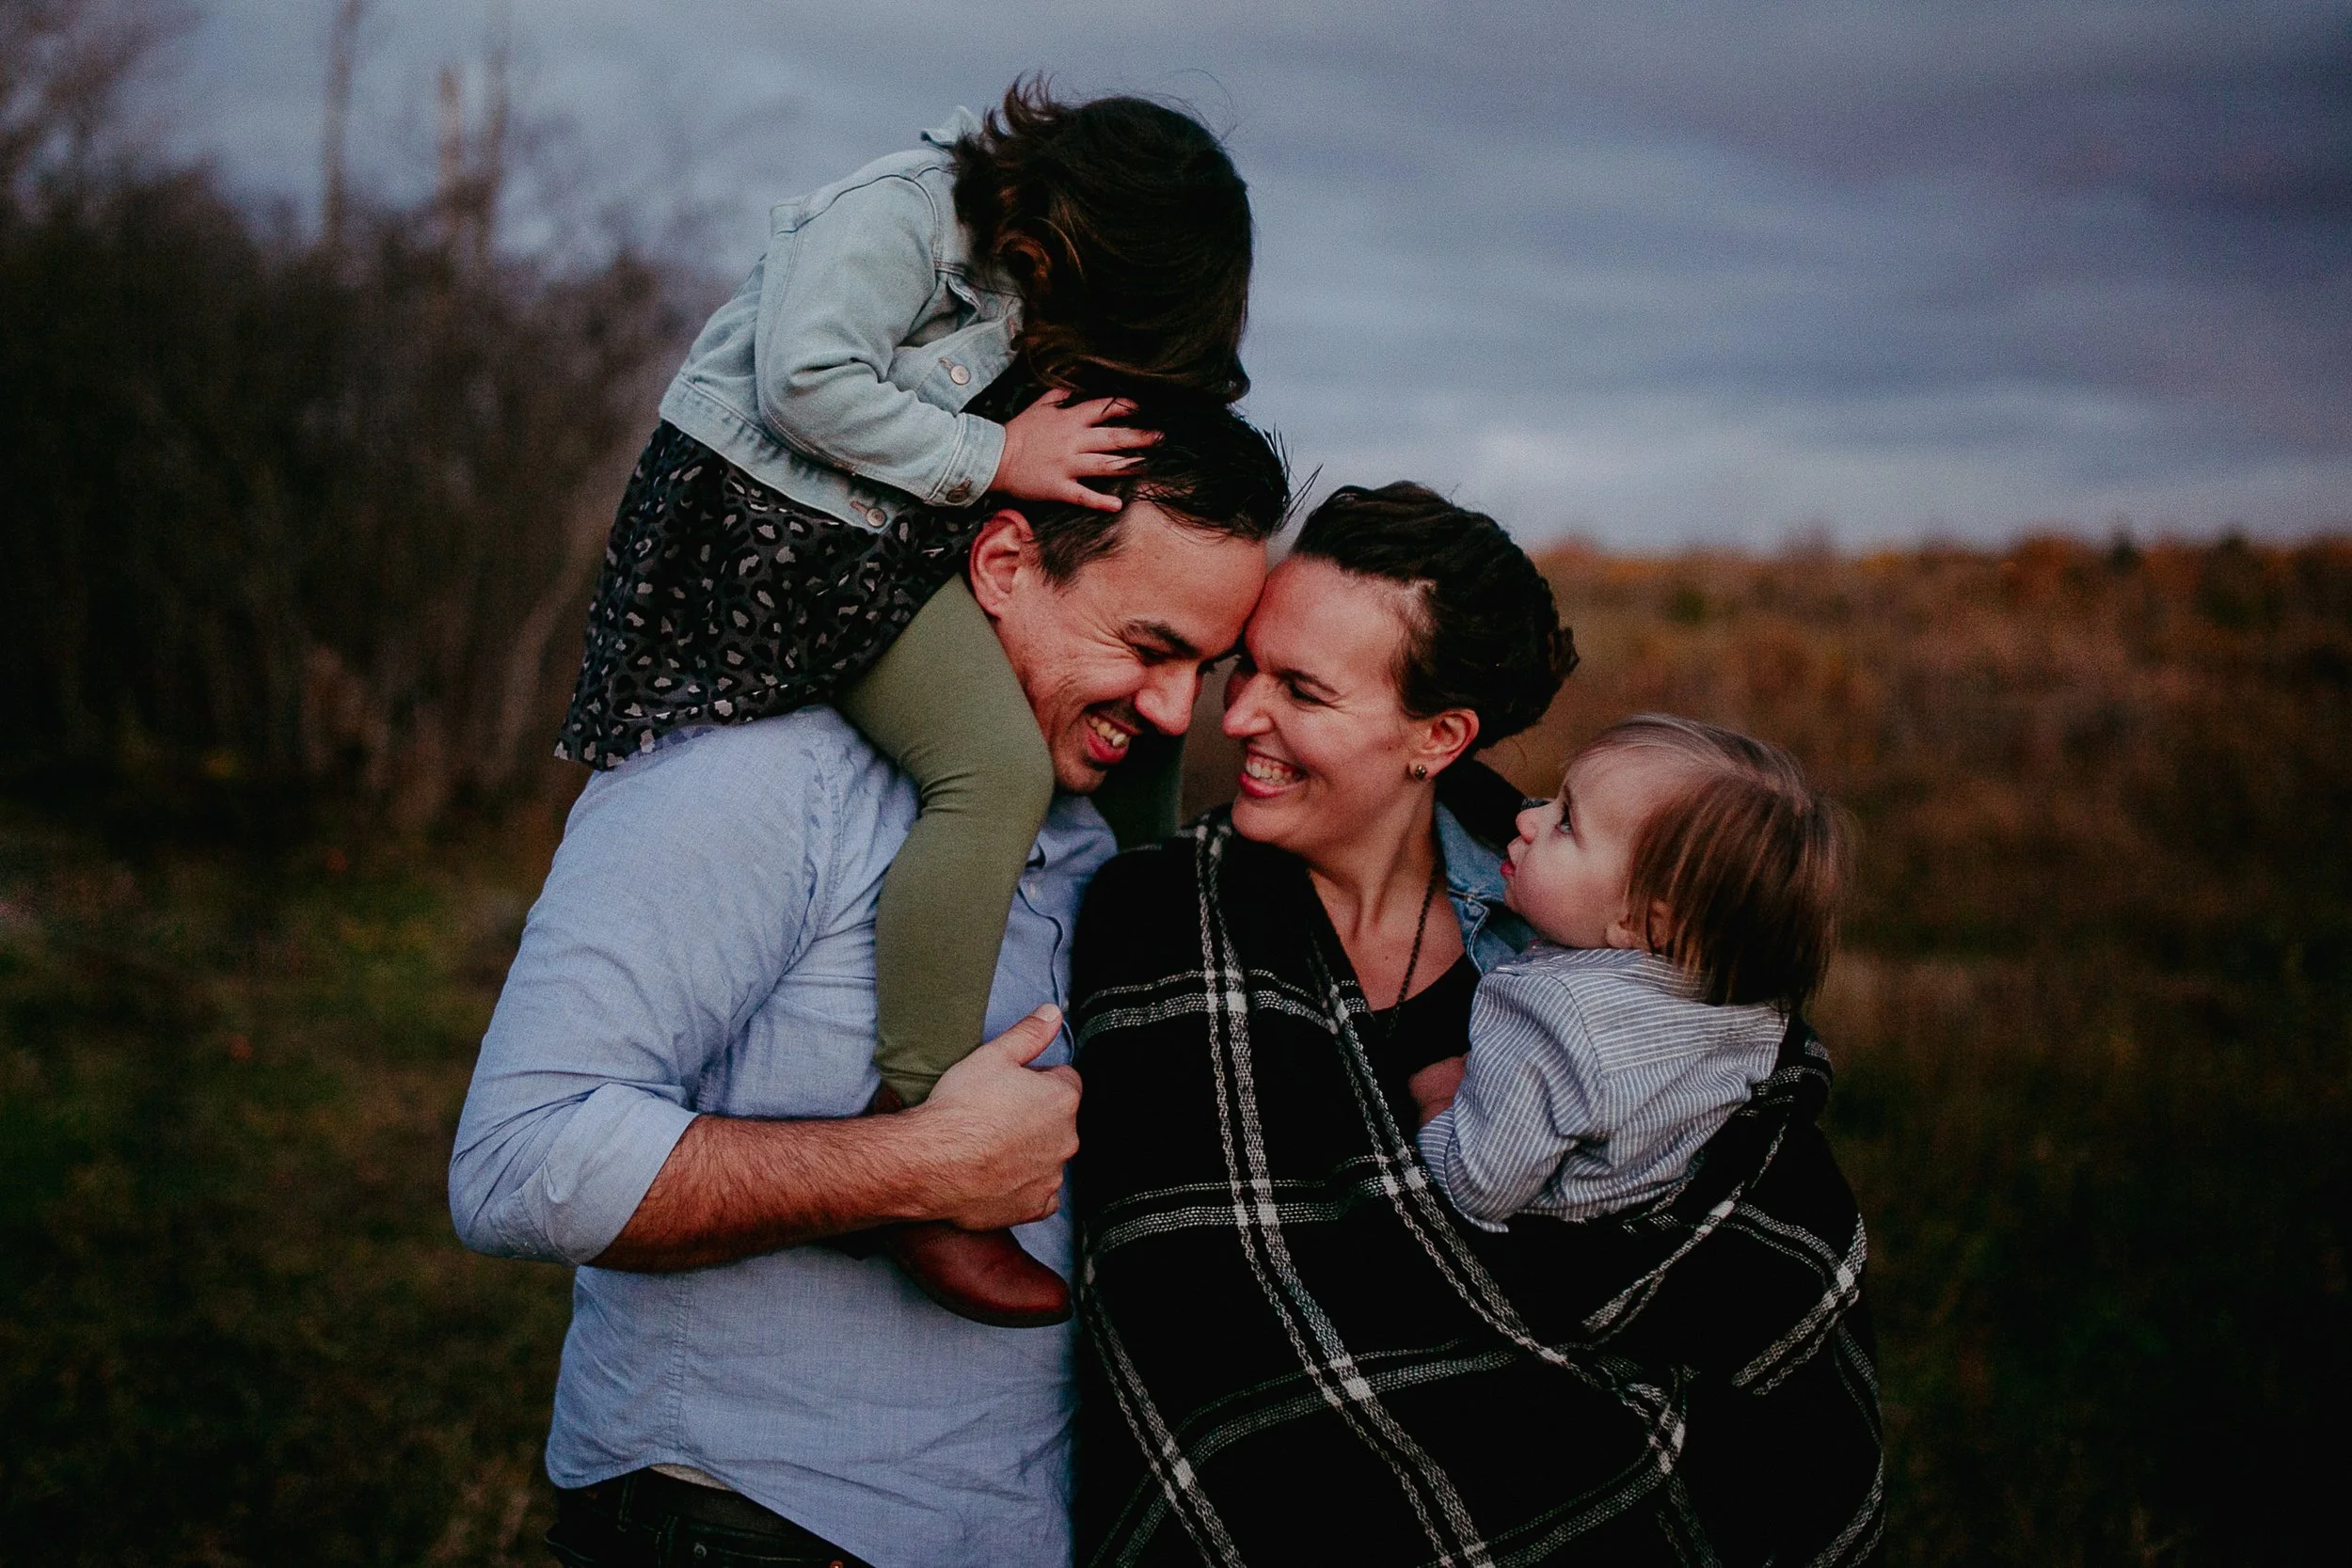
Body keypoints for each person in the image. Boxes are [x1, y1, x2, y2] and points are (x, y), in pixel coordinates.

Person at [450, 403, 1286, 1568]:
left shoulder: (1096, 835)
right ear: (1000, 563)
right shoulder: (760, 777)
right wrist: (914, 1168)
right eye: (1147, 648)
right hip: (748, 1532)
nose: (1171, 711)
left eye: (1205, 666)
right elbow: (515, 1161)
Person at [1070, 483, 1883, 1566]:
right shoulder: (1156, 921)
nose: (1237, 718)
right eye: (1245, 670)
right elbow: (1187, 1299)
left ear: (1439, 733)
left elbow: (1751, 1220)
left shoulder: (1612, 931)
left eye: (1301, 690)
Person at [552, 80, 1255, 1320]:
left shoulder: (1028, 285)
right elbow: (804, 381)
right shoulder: (900, 214)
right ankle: (922, 1129)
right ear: (1091, 251)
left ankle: (1158, 941)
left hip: (889, 525)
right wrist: (997, 459)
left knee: (1149, 708)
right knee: (995, 769)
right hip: (777, 533)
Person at [1414, 715, 1853, 1229]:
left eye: (1565, 823)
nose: (1526, 818)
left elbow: (1477, 1187)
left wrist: (1437, 1103)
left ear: (1640, 920)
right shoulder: (1744, 1013)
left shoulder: (1554, 1016)